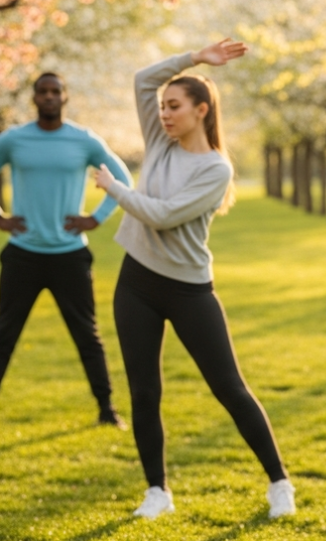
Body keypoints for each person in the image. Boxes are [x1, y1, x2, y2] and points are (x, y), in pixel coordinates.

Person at [93, 40, 295, 520]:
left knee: (229, 387)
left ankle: (279, 482)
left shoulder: (215, 169)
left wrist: (114, 188)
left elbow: (161, 217)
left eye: (175, 106)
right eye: (162, 107)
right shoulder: (160, 143)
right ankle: (157, 492)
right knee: (144, 390)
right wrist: (194, 58)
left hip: (187, 289)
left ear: (201, 111)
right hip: (136, 281)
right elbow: (144, 78)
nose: (164, 113)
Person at [0, 72, 133, 429]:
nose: (50, 96)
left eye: (56, 91)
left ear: (65, 97)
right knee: (4, 333)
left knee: (87, 335)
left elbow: (123, 179)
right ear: (35, 98)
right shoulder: (14, 140)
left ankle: (107, 410)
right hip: (22, 254)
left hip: (70, 255)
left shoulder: (84, 141)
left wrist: (97, 218)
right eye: (43, 91)